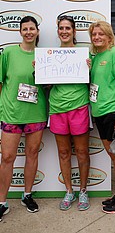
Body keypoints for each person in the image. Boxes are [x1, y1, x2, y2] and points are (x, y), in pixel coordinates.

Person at [0, 16, 47, 221]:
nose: (28, 31)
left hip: (35, 113)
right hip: (12, 113)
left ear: (37, 31)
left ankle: (27, 195)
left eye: (32, 28)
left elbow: (51, 83)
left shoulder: (44, 55)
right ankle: (2, 202)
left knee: (32, 154)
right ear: (20, 32)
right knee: (7, 157)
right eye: (25, 28)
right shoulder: (9, 53)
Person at [88, 21, 115, 214]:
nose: (97, 37)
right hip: (101, 113)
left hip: (114, 113)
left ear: (109, 36)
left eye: (100, 34)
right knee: (114, 156)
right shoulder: (96, 57)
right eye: (94, 34)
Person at [48, 15, 90, 211]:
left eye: (68, 28)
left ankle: (83, 190)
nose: (64, 31)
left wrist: (90, 69)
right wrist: (40, 70)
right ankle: (69, 191)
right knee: (64, 153)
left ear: (74, 31)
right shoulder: (50, 54)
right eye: (61, 28)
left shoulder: (84, 53)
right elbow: (46, 84)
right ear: (58, 31)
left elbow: (94, 81)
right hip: (57, 108)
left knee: (81, 152)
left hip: (79, 107)